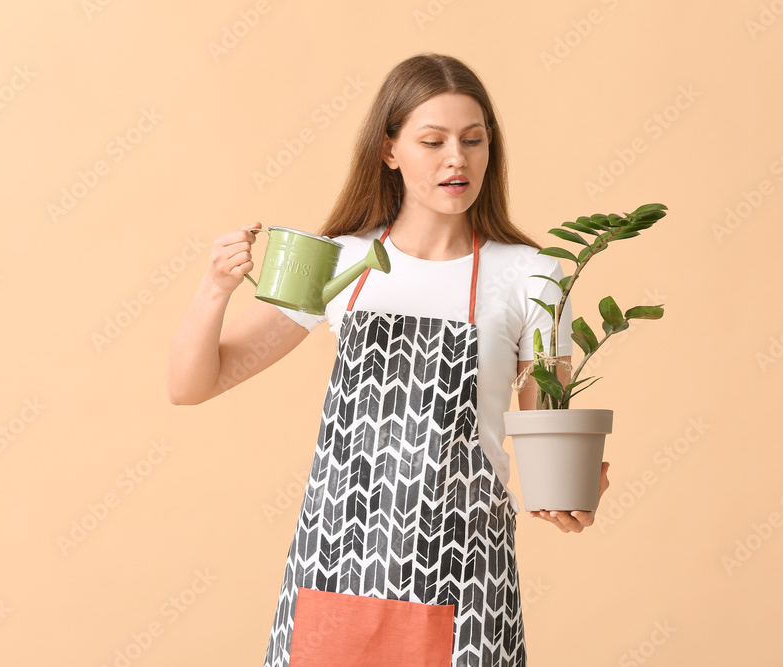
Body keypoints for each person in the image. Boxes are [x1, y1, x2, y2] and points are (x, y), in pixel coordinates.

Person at [168, 53, 610, 667]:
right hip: (337, 565)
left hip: (464, 575)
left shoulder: (533, 276)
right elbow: (194, 384)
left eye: (473, 140)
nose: (457, 158)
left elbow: (545, 443)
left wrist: (572, 488)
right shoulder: (337, 264)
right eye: (433, 141)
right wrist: (214, 288)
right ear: (389, 150)